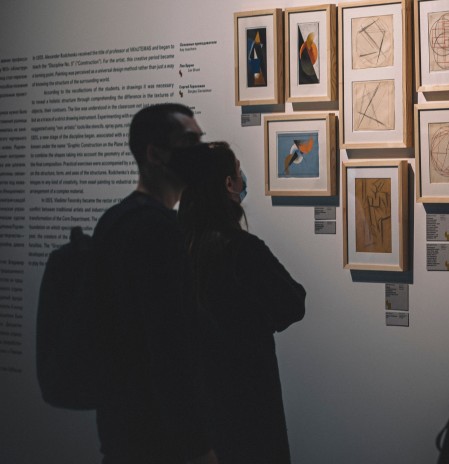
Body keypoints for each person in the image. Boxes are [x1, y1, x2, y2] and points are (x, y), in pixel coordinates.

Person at [92, 103, 218, 464]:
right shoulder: (158, 230)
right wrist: (199, 446)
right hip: (160, 441)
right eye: (189, 140)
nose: (199, 150)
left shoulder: (114, 221)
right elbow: (169, 348)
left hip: (122, 431)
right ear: (155, 154)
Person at [177, 142, 306, 464]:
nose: (242, 176)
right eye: (237, 170)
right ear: (228, 184)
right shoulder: (241, 248)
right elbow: (292, 303)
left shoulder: (176, 248)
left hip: (191, 400)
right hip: (246, 397)